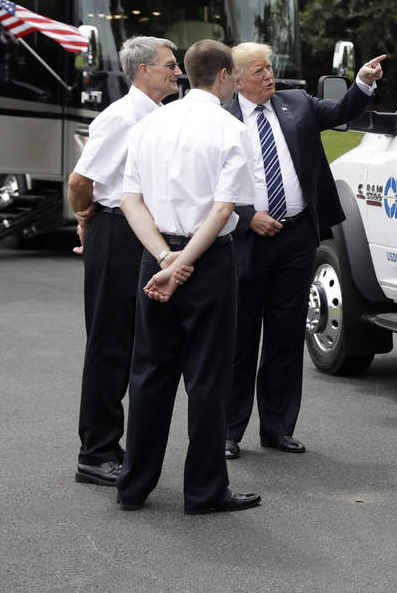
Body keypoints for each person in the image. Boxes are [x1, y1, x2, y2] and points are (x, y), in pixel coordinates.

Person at [115, 39, 260, 514]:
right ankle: (203, 491)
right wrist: (183, 264)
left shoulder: (150, 123)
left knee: (150, 373)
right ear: (222, 76)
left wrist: (163, 258)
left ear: (187, 75)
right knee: (207, 378)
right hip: (208, 261)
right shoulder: (229, 128)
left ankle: (133, 486)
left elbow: (130, 201)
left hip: (154, 257)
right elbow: (222, 211)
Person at [223, 43, 385, 459]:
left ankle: (278, 427)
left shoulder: (295, 103)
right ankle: (228, 430)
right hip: (246, 240)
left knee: (286, 336)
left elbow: (340, 113)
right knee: (240, 338)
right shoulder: (222, 118)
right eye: (259, 72)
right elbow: (207, 180)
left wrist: (362, 84)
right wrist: (246, 215)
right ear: (237, 79)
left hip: (296, 237)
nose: (269, 77)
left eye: (269, 69)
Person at [67, 35, 181, 487]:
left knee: (138, 343)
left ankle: (115, 446)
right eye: (169, 65)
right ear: (143, 71)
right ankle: (95, 453)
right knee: (110, 343)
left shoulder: (158, 115)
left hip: (141, 232)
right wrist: (84, 219)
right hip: (115, 231)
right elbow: (81, 180)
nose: (176, 72)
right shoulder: (121, 116)